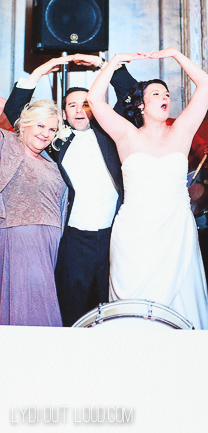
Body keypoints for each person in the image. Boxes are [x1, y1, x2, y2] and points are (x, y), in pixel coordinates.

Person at [87, 48, 208, 330]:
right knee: (132, 304)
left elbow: (205, 83)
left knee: (182, 299)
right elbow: (94, 100)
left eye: (166, 94)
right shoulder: (125, 133)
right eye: (156, 94)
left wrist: (176, 54)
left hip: (176, 228)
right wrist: (113, 62)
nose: (164, 98)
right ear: (141, 105)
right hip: (135, 231)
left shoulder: (182, 131)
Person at [3, 54, 136, 326]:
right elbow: (17, 114)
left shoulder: (112, 133)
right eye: (71, 105)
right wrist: (39, 72)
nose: (78, 110)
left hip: (112, 237)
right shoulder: (54, 139)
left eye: (86, 104)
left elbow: (131, 96)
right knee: (71, 309)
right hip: (72, 239)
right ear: (63, 113)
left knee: (110, 311)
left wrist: (103, 64)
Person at [0, 99, 66, 326]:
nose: (46, 134)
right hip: (19, 237)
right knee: (26, 306)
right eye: (40, 125)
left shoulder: (51, 161)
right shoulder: (7, 144)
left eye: (52, 129)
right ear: (24, 124)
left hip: (49, 243)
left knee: (41, 301)